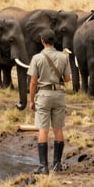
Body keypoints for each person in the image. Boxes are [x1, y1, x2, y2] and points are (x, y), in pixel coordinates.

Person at [27, 29, 71, 174]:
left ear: (42, 41)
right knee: (58, 129)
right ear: (54, 41)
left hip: (44, 95)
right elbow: (67, 79)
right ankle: (57, 164)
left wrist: (31, 100)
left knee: (43, 130)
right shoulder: (64, 57)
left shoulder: (37, 58)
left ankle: (43, 166)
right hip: (59, 94)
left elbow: (33, 83)